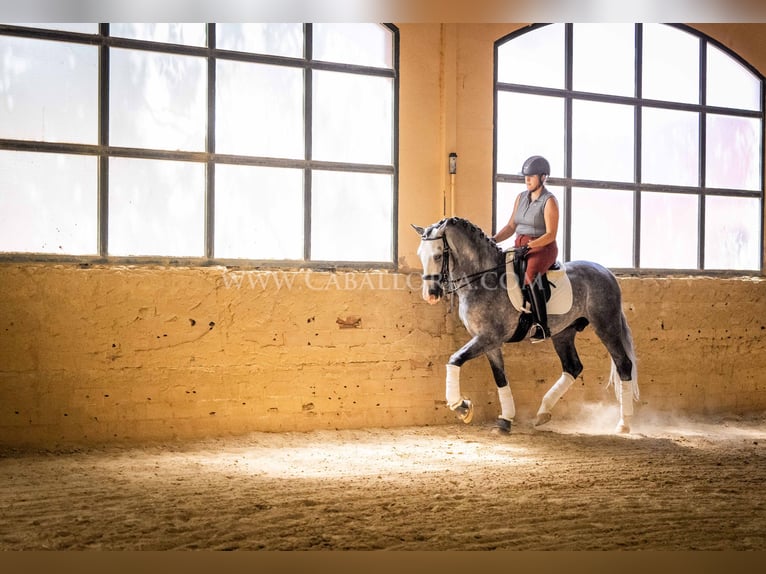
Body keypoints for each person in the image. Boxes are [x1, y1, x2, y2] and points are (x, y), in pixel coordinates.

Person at [493, 155, 559, 342]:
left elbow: (551, 234)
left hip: (542, 247)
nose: (527, 180)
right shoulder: (520, 198)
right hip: (520, 246)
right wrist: (493, 239)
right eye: (525, 176)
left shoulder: (549, 201)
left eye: (531, 176)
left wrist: (529, 246)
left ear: (543, 177)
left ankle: (542, 325)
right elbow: (511, 226)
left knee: (530, 275)